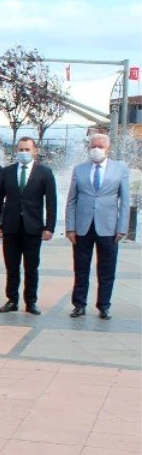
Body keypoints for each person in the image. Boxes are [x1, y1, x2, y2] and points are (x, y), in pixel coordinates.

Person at [66, 133, 130, 320]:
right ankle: (79, 304)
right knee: (81, 268)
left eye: (100, 146)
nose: (96, 149)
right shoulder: (79, 169)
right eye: (93, 146)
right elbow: (72, 200)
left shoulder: (119, 169)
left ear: (108, 148)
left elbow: (125, 201)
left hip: (108, 227)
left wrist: (122, 227)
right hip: (82, 227)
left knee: (107, 268)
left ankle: (104, 305)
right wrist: (70, 227)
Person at [0, 137, 56, 316]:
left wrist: (49, 227)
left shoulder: (44, 173)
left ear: (34, 151)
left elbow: (51, 202)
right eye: (21, 149)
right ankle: (12, 300)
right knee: (12, 266)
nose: (24, 152)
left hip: (33, 227)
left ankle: (31, 301)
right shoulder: (7, 172)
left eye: (27, 149)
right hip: (10, 227)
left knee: (31, 267)